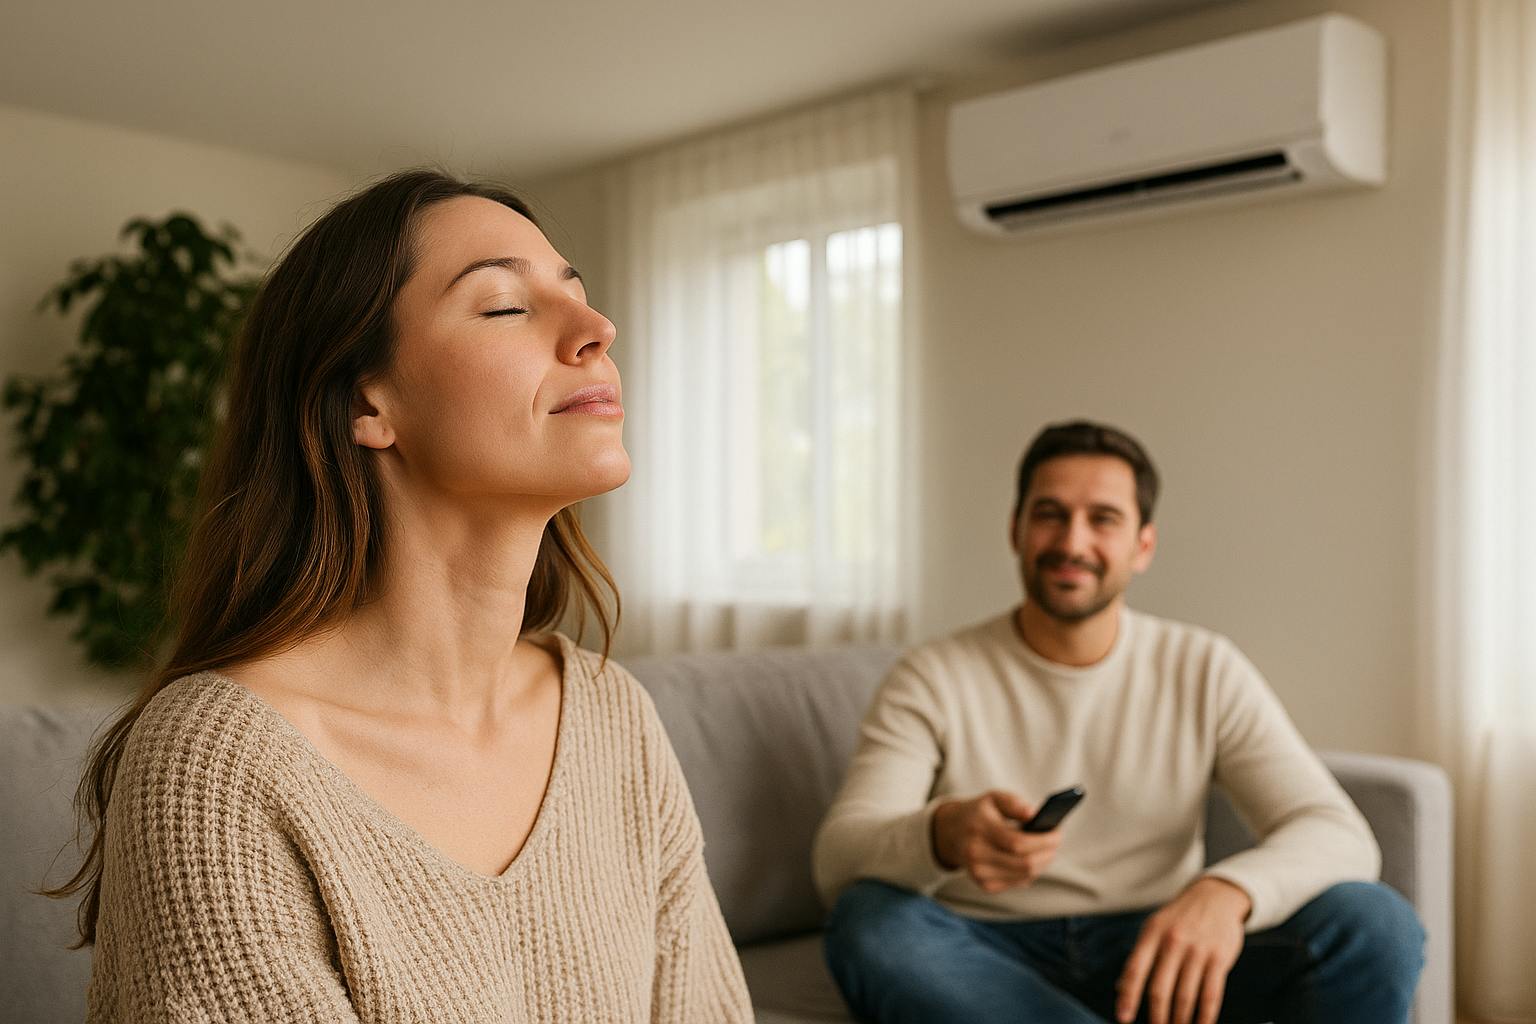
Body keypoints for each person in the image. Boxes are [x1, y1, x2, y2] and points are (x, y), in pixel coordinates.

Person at [48, 170, 753, 1023]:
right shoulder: (217, 765)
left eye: (579, 293)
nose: (597, 330)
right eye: (503, 306)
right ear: (366, 401)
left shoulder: (612, 715)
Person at [812, 420, 1424, 1024]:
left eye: (1103, 519)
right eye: (1050, 514)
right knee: (868, 922)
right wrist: (942, 834)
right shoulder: (932, 674)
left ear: (1143, 545)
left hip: (1163, 947)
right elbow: (838, 859)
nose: (1072, 542)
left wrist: (1227, 894)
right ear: (1015, 530)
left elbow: (1337, 832)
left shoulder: (1202, 667)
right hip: (984, 949)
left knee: (1375, 922)